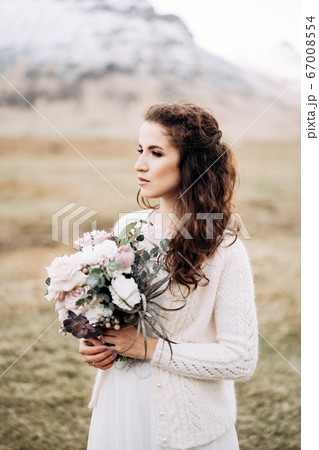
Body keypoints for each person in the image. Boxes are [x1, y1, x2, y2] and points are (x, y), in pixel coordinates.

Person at [79, 102, 258, 450]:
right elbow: (117, 316)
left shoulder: (224, 249)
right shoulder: (128, 227)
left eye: (156, 153)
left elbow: (241, 359)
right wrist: (93, 341)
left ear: (190, 163)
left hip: (188, 421)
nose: (139, 164)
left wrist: (149, 348)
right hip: (120, 402)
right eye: (140, 150)